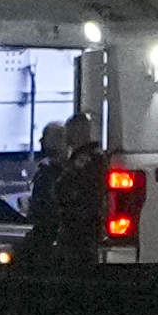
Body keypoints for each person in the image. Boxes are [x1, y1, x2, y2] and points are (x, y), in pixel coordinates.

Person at [21, 109, 112, 271]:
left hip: (78, 231)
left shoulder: (84, 161)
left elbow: (66, 191)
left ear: (78, 132)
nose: (66, 136)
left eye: (69, 131)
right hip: (80, 230)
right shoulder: (92, 158)